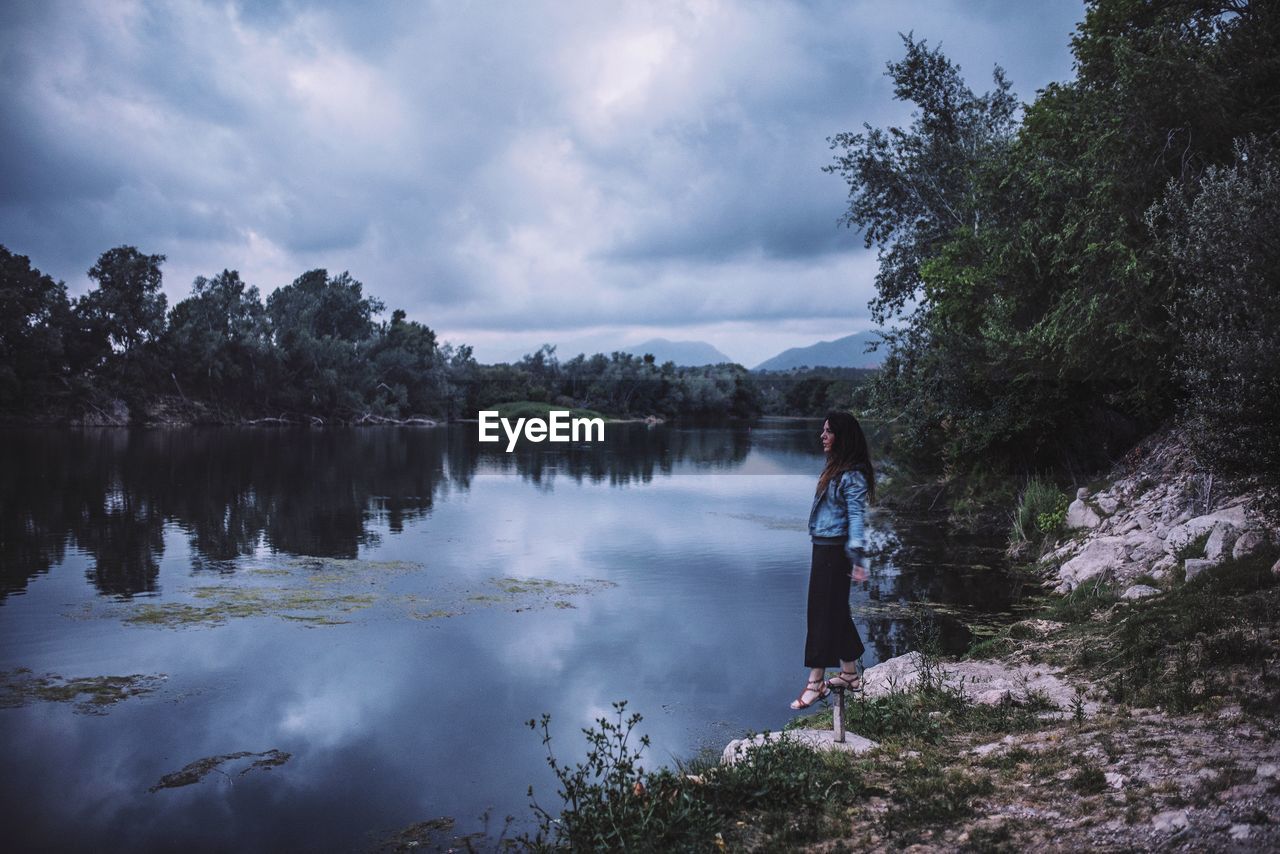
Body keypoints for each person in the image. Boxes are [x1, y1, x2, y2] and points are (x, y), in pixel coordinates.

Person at [790, 411, 875, 710]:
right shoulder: (836, 469)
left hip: (835, 549)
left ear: (842, 436)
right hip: (823, 546)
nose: (822, 436)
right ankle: (850, 674)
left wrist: (858, 558)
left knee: (821, 612)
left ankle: (816, 682)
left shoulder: (851, 474)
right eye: (822, 430)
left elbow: (856, 518)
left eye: (828, 431)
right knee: (834, 611)